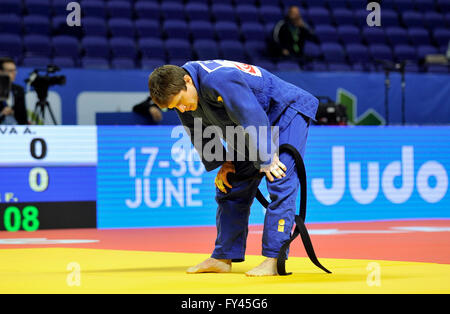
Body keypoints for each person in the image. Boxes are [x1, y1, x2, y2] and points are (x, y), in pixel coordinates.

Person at [148, 60, 318, 276]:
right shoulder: (183, 95)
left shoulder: (218, 78)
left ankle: (275, 259)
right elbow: (197, 130)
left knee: (278, 176)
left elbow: (250, 116)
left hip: (284, 112)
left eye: (180, 102)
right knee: (230, 183)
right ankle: (223, 257)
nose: (181, 109)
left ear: (187, 81)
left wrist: (266, 158)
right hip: (251, 126)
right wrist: (224, 163)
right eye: (174, 107)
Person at [0, 57, 28, 125]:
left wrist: (13, 112)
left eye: (15, 70)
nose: (14, 73)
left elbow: (23, 117)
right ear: (0, 72)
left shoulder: (19, 90)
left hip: (16, 129)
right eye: (10, 71)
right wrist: (1, 114)